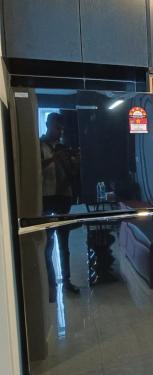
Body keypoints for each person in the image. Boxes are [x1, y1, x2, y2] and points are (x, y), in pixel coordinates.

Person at [41, 113, 80, 301]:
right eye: (57, 128)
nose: (60, 132)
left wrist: (74, 162)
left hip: (63, 198)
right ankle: (50, 284)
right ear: (48, 125)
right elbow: (35, 169)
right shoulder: (38, 146)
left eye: (62, 129)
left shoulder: (64, 148)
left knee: (64, 243)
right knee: (48, 244)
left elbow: (73, 174)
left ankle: (67, 281)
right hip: (46, 198)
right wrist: (54, 158)